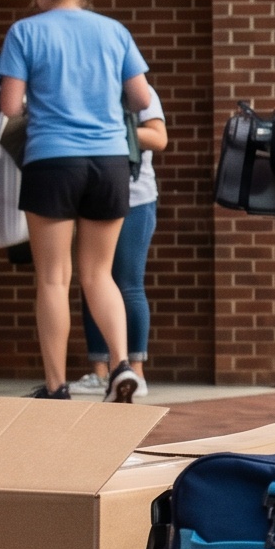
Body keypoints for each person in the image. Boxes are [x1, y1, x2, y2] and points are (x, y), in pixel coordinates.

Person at [0, 0, 155, 402]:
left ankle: (56, 385)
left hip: (52, 161)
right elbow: (142, 99)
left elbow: (9, 106)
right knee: (99, 274)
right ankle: (123, 366)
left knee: (53, 279)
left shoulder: (25, 32)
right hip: (108, 163)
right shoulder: (113, 31)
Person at [75, 85, 167, 397]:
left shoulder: (139, 90)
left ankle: (135, 372)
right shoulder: (82, 89)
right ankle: (100, 372)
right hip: (92, 195)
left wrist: (112, 130)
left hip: (136, 199)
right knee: (93, 280)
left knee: (128, 283)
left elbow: (158, 137)